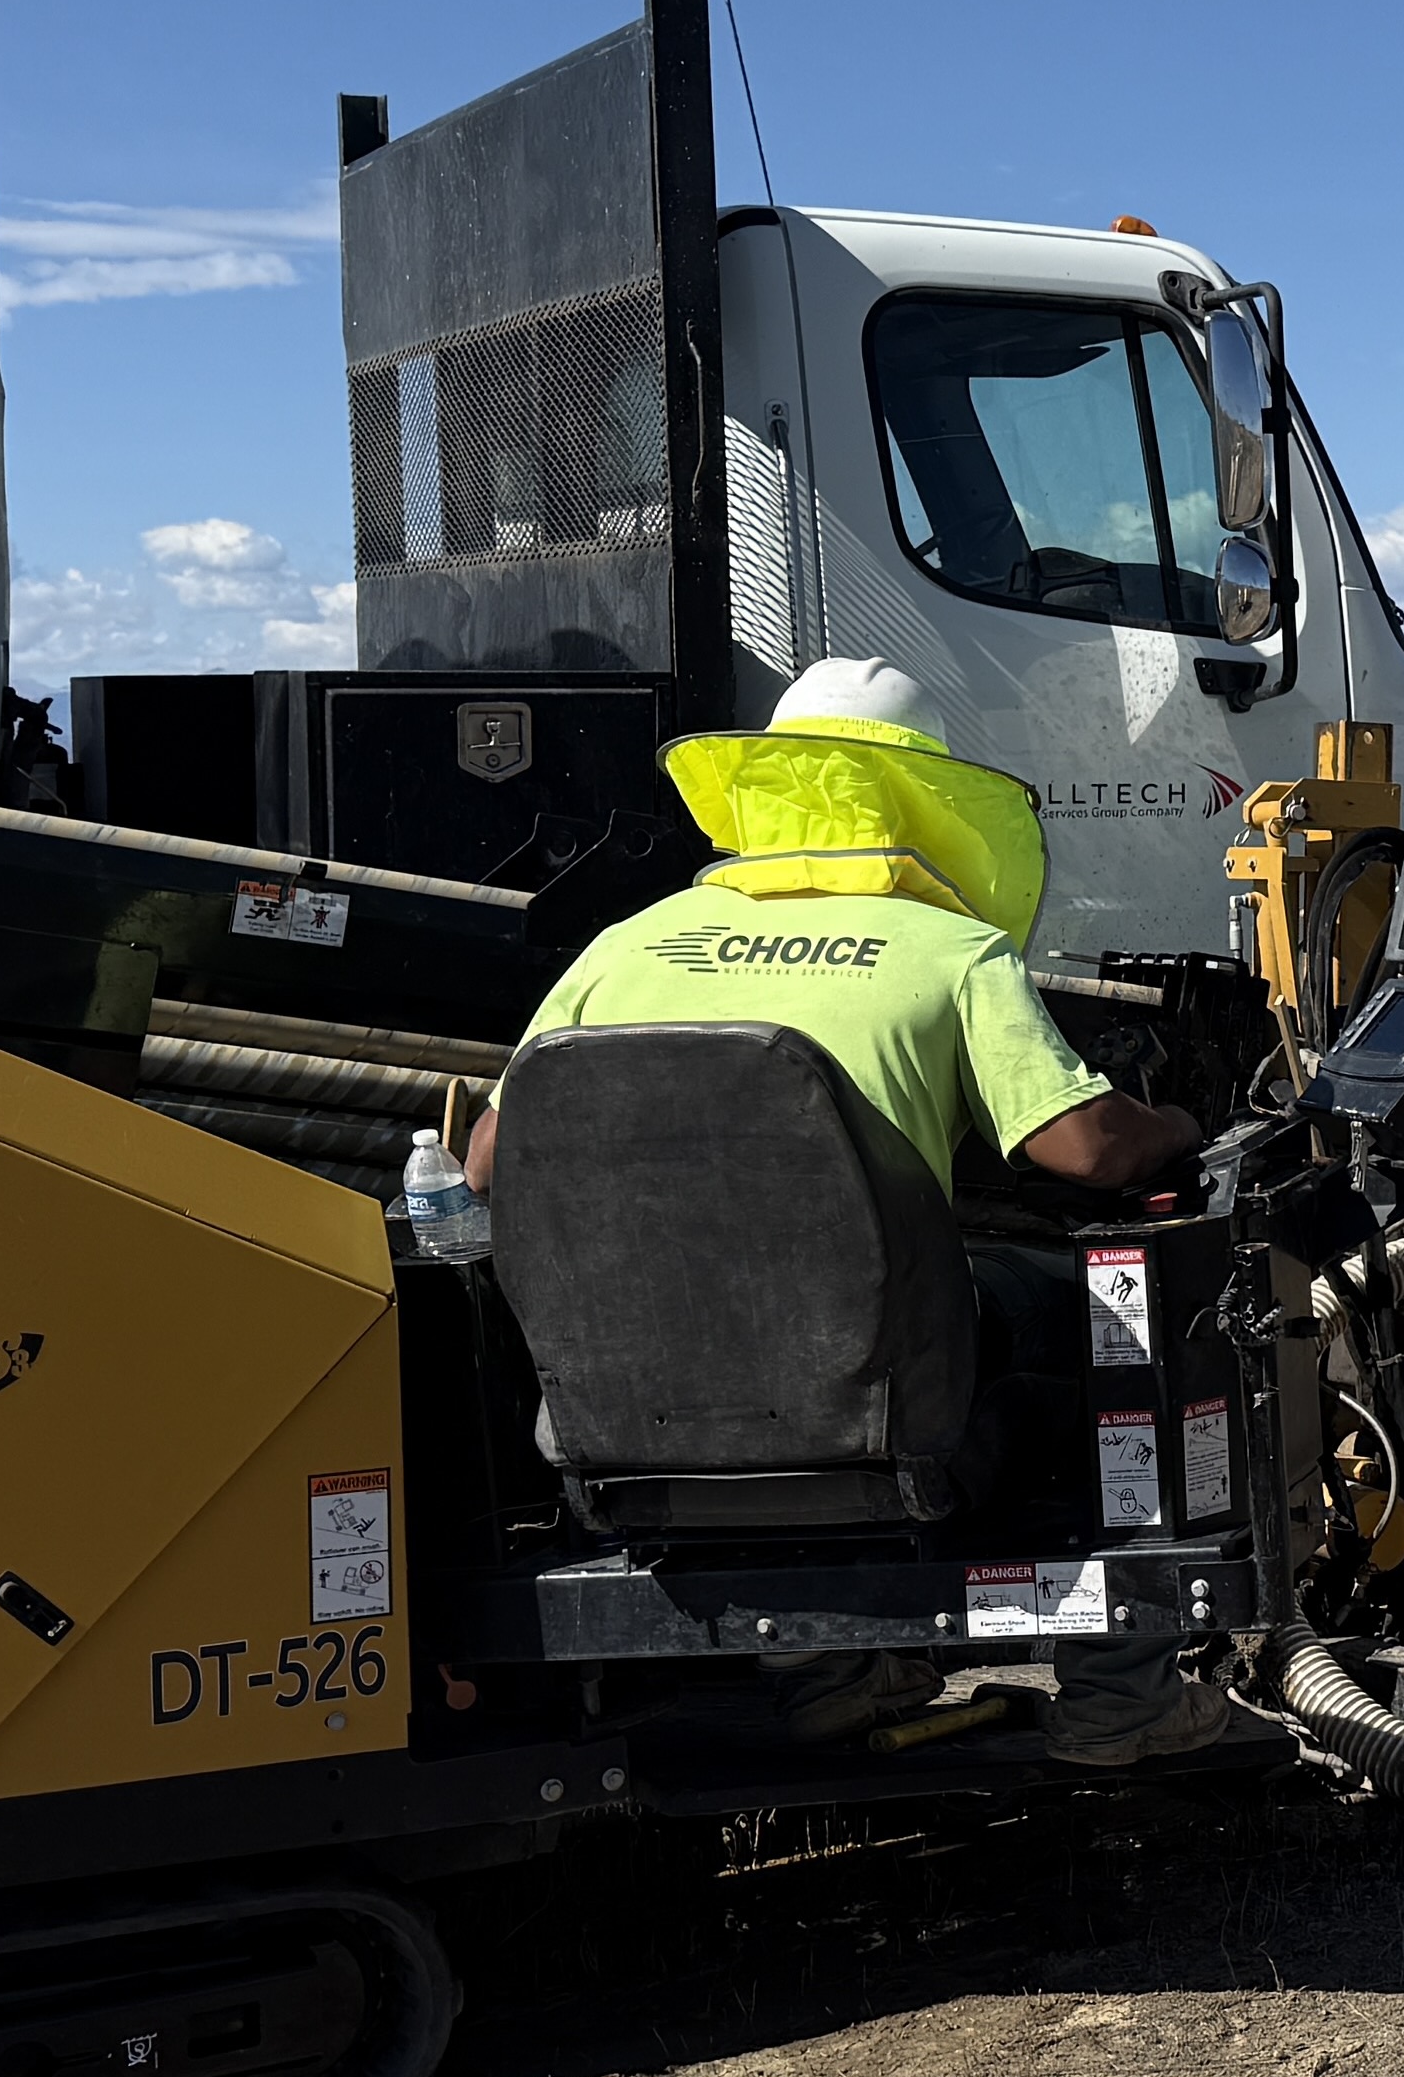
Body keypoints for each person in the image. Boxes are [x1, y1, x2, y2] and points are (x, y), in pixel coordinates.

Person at [469, 657, 1228, 1766]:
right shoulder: (949, 950)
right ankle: (1124, 1692)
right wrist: (1178, 1127)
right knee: (1127, 1319)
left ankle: (831, 1674)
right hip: (880, 1420)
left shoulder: (623, 947)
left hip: (633, 1425)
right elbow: (1084, 1149)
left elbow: (490, 1164)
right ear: (930, 806)